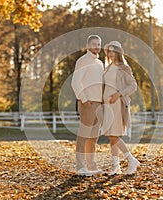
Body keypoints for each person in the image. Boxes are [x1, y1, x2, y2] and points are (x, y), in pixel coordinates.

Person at [102, 41, 140, 175]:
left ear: (118, 52)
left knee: (114, 134)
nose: (111, 53)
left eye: (113, 51)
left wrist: (118, 94)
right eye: (109, 51)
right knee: (111, 136)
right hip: (107, 105)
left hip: (117, 104)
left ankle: (131, 159)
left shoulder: (124, 68)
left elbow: (133, 85)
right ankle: (115, 166)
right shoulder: (106, 68)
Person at [71, 35, 104, 176]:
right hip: (87, 103)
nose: (97, 46)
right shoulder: (83, 61)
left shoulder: (100, 63)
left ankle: (91, 166)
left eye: (99, 44)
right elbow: (75, 82)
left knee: (93, 137)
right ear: (88, 45)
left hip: (99, 103)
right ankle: (80, 167)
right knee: (84, 136)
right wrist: (83, 100)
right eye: (94, 44)